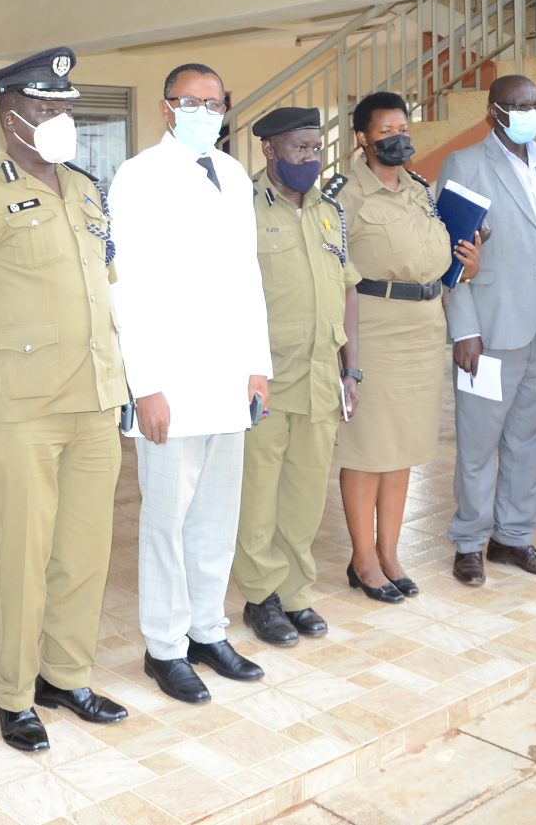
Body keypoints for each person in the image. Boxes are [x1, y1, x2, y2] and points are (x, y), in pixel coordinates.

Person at [0, 47, 129, 754]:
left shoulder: (84, 187)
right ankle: (14, 692)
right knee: (23, 556)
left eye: (64, 105)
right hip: (19, 410)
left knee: (84, 552)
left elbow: (103, 289)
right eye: (42, 108)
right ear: (7, 114)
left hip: (93, 399)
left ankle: (66, 674)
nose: (57, 118)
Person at [109, 62, 272, 704]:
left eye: (215, 102)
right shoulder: (139, 177)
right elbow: (127, 288)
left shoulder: (233, 175)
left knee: (216, 517)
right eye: (191, 101)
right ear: (166, 107)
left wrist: (258, 364)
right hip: (170, 381)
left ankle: (208, 629)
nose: (205, 111)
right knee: (167, 521)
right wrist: (144, 383)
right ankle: (165, 647)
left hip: (229, 377)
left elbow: (248, 279)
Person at [336, 92, 479, 603]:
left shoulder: (420, 188)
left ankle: (390, 551)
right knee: (368, 448)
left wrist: (467, 263)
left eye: (403, 127)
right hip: (372, 326)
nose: (398, 136)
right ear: (361, 137)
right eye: (386, 129)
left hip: (423, 325)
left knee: (402, 451)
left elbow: (437, 257)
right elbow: (335, 272)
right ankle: (363, 558)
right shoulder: (344, 194)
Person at [232, 106, 360, 645]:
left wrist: (350, 369)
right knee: (258, 496)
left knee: (306, 495)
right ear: (269, 149)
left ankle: (297, 593)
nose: (311, 158)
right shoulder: (239, 209)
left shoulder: (331, 212)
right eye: (300, 148)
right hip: (266, 378)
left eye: (316, 149)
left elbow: (348, 287)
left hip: (318, 378)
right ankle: (261, 596)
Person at [438, 74, 536, 587]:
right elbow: (453, 254)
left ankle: (512, 537)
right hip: (490, 332)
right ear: (494, 112)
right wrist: (464, 327)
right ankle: (470, 541)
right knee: (478, 442)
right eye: (518, 106)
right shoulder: (467, 164)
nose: (529, 113)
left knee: (531, 442)